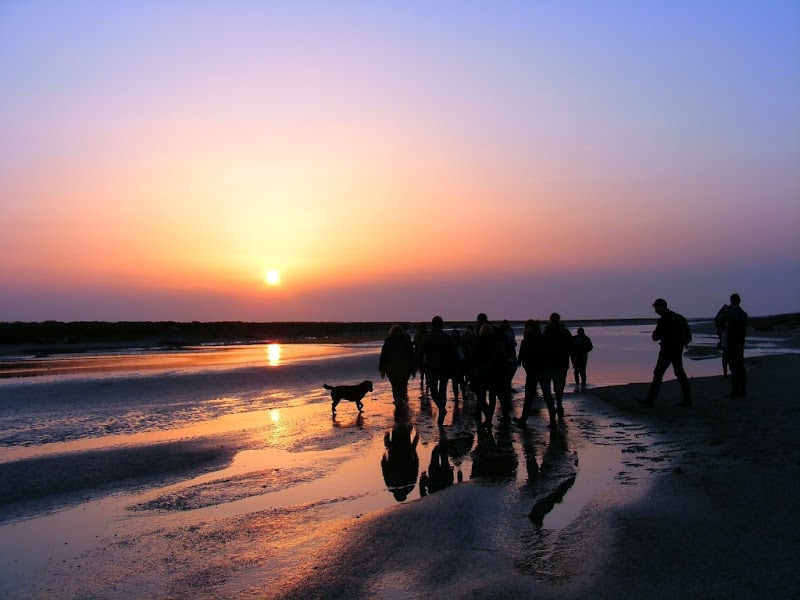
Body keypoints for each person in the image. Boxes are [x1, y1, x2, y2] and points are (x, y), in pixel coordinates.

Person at [639, 298, 692, 407]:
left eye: (656, 308)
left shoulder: (664, 319)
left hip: (667, 350)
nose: (655, 311)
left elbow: (655, 337)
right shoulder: (677, 317)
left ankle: (650, 400)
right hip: (677, 349)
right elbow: (687, 334)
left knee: (658, 373)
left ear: (661, 307)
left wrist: (657, 334)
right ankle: (688, 399)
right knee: (679, 373)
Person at [416, 316, 460, 426]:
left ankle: (441, 408)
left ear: (432, 324)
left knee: (434, 390)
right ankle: (441, 409)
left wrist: (419, 365)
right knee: (442, 390)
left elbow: (420, 352)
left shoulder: (427, 337)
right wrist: (455, 366)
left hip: (431, 368)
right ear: (442, 324)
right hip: (445, 368)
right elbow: (455, 353)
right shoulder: (447, 337)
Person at [515, 319, 557, 428]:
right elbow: (551, 355)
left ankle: (523, 419)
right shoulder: (545, 339)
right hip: (545, 371)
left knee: (529, 396)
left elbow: (523, 357)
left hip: (534, 372)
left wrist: (527, 367)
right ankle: (552, 421)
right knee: (547, 395)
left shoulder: (527, 340)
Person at [468, 323, 502, 429]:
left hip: (481, 373)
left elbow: (473, 359)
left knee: (481, 396)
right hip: (494, 373)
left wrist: (470, 373)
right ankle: (488, 418)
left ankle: (486, 414)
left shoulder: (477, 342)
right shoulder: (495, 343)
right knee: (492, 397)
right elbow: (500, 358)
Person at [716, 293, 748, 397]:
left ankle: (735, 392)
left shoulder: (730, 313)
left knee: (734, 367)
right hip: (740, 343)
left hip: (731, 343)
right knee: (741, 368)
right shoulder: (744, 314)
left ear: (731, 301)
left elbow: (717, 319)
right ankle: (742, 390)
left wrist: (723, 309)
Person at [543, 312, 573, 419]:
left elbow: (543, 346)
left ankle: (555, 403)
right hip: (563, 361)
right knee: (561, 382)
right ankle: (559, 402)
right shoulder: (565, 331)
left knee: (551, 383)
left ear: (550, 319)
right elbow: (571, 347)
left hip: (551, 361)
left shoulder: (547, 331)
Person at [378, 324, 417, 404]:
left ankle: (397, 398)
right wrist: (414, 369)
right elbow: (412, 355)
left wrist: (382, 369)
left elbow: (384, 356)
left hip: (391, 367)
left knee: (394, 384)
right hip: (405, 367)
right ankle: (400, 398)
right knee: (403, 384)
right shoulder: (406, 341)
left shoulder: (388, 341)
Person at [714, 304, 730, 378]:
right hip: (733, 339)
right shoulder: (730, 315)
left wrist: (722, 309)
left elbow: (716, 319)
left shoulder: (725, 315)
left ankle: (725, 373)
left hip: (726, 338)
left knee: (725, 356)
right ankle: (726, 373)